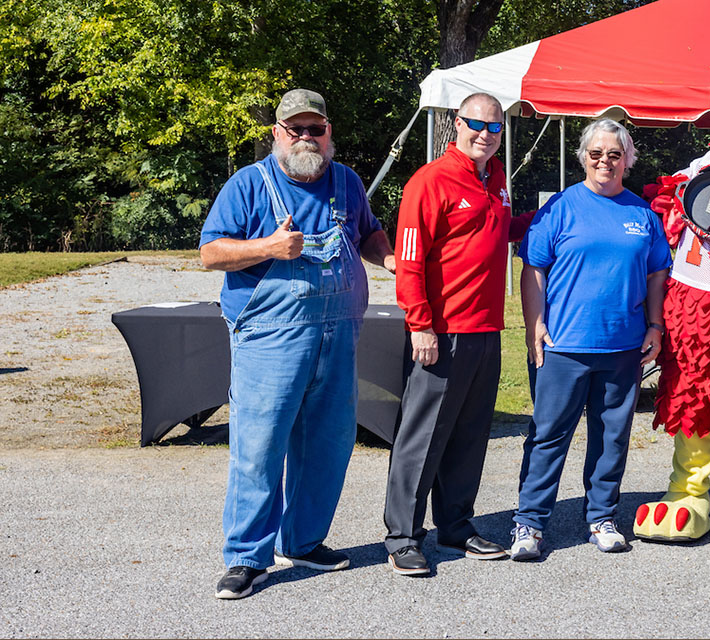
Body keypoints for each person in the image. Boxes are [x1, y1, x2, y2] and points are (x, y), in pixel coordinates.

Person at [199, 88, 396, 599]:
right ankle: (247, 557)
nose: (307, 138)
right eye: (296, 129)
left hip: (340, 332)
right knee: (259, 447)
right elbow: (210, 252)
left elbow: (369, 234)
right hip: (271, 337)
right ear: (277, 134)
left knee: (328, 444)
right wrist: (268, 247)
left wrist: (391, 259)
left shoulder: (347, 182)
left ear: (329, 133)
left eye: (316, 129)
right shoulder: (248, 184)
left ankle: (304, 541)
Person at [508, 119, 671, 561]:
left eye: (614, 154)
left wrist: (655, 325)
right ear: (583, 157)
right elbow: (533, 269)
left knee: (612, 436)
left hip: (623, 346)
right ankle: (529, 523)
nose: (605, 161)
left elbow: (657, 273)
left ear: (627, 160)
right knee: (547, 436)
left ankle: (601, 516)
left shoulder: (642, 214)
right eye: (596, 153)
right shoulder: (560, 208)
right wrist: (534, 327)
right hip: (563, 345)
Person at [385, 92, 532, 576]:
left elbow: (505, 229)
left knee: (469, 435)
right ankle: (404, 536)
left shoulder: (496, 180)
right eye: (476, 124)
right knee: (422, 436)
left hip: (487, 329)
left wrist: (565, 211)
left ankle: (454, 524)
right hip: (442, 332)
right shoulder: (429, 181)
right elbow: (409, 263)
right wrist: (420, 323)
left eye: (494, 127)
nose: (485, 134)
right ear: (456, 123)